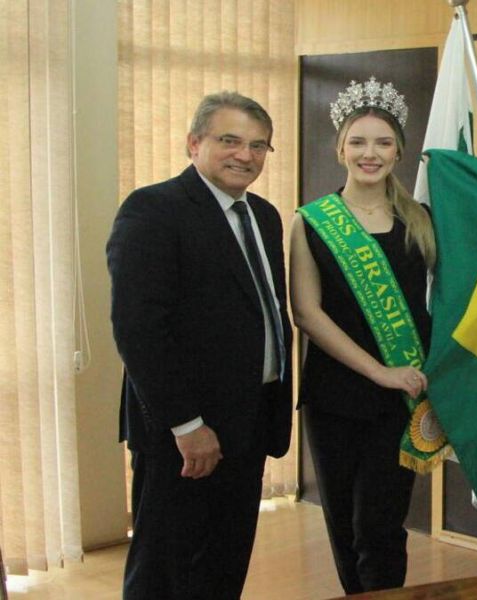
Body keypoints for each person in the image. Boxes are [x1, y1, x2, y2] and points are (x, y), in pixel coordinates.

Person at [107, 91, 292, 599]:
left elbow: (264, 313)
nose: (245, 155)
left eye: (258, 145)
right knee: (165, 573)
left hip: (250, 422)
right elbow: (138, 329)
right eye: (230, 140)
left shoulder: (265, 216)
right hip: (184, 434)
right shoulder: (153, 210)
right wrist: (186, 426)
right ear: (194, 143)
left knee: (224, 567)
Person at [289, 77, 434, 594]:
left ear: (399, 152)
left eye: (382, 142)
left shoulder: (422, 221)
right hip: (335, 394)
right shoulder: (311, 222)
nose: (369, 154)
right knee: (345, 526)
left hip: (400, 398)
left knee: (380, 526)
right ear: (340, 149)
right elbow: (306, 313)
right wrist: (378, 371)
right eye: (358, 142)